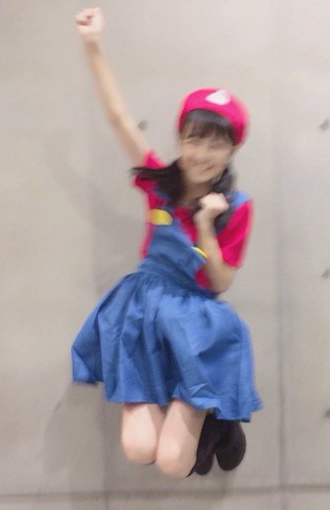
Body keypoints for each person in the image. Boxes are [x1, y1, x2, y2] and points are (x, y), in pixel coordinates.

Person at [71, 7, 262, 478]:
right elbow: (118, 118)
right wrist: (93, 45)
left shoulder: (237, 207)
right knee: (140, 450)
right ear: (180, 139)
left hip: (197, 322)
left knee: (175, 463)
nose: (203, 154)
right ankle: (195, 409)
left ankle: (217, 420)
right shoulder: (158, 183)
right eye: (194, 140)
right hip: (142, 311)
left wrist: (206, 226)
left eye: (217, 144)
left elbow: (221, 281)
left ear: (233, 150)